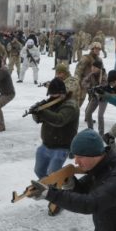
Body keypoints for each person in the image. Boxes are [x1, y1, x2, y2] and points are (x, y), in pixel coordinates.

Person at [32, 77, 80, 215]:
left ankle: (59, 200)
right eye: (50, 95)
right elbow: (39, 119)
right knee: (40, 172)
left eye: (55, 95)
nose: (52, 97)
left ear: (62, 93)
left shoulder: (70, 105)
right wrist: (36, 112)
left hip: (61, 147)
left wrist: (43, 111)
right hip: (45, 145)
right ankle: (59, 186)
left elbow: (59, 120)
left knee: (53, 176)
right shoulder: (51, 102)